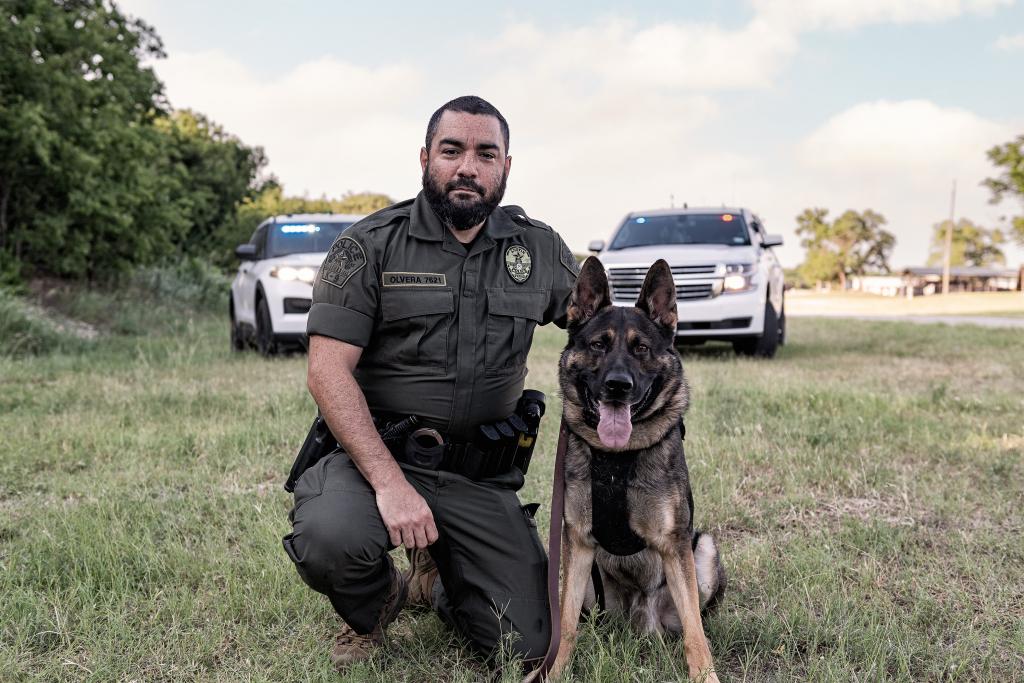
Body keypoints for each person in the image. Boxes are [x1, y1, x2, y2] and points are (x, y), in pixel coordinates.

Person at [281, 95, 580, 671]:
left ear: (506, 168)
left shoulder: (537, 249)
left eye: (485, 153)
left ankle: (441, 577)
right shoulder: (369, 246)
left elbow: (601, 324)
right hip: (378, 461)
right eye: (452, 150)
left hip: (477, 476)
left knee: (530, 647)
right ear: (425, 158)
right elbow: (327, 371)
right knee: (332, 540)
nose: (467, 166)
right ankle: (379, 600)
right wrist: (391, 486)